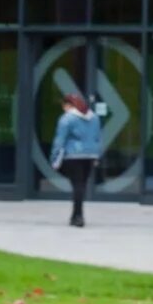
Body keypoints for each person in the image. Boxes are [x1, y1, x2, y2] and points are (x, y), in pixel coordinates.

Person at [49, 89, 104, 228]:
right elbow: (97, 138)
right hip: (90, 155)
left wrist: (54, 157)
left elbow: (59, 140)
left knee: (77, 185)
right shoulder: (95, 118)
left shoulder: (66, 119)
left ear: (68, 105)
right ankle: (75, 215)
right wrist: (97, 155)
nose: (63, 109)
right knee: (81, 186)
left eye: (64, 106)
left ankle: (78, 217)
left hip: (73, 156)